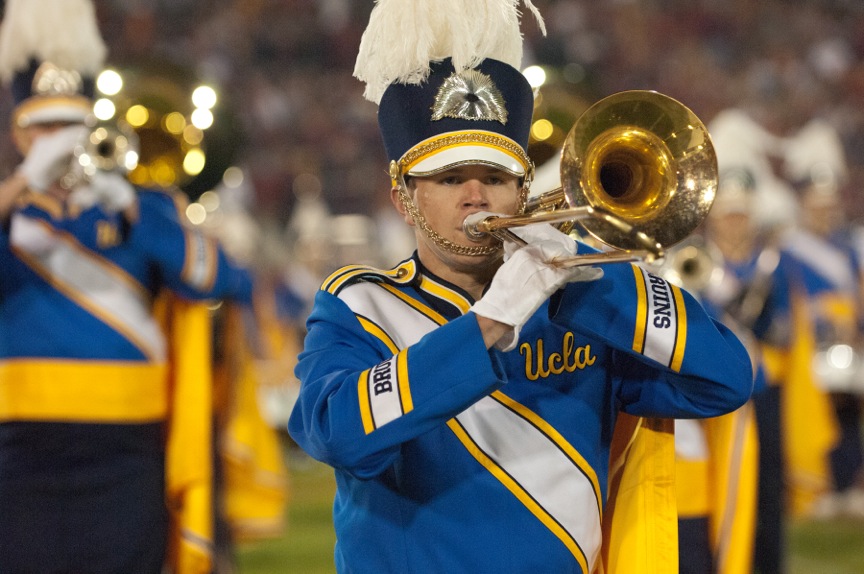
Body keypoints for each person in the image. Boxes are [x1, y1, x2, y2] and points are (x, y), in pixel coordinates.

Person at [287, 1, 753, 572]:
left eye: (497, 178)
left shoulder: (583, 298)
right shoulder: (358, 303)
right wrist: (486, 324)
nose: (476, 197)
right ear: (403, 198)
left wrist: (587, 277)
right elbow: (334, 432)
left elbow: (725, 380)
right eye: (451, 178)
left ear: (524, 191)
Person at [0, 1, 255, 571]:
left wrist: (136, 213)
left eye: (69, 126)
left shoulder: (140, 208)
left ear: (92, 128)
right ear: (20, 136)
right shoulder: (10, 215)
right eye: (42, 127)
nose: (57, 141)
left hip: (127, 445)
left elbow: (226, 279)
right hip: (21, 445)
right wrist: (21, 185)